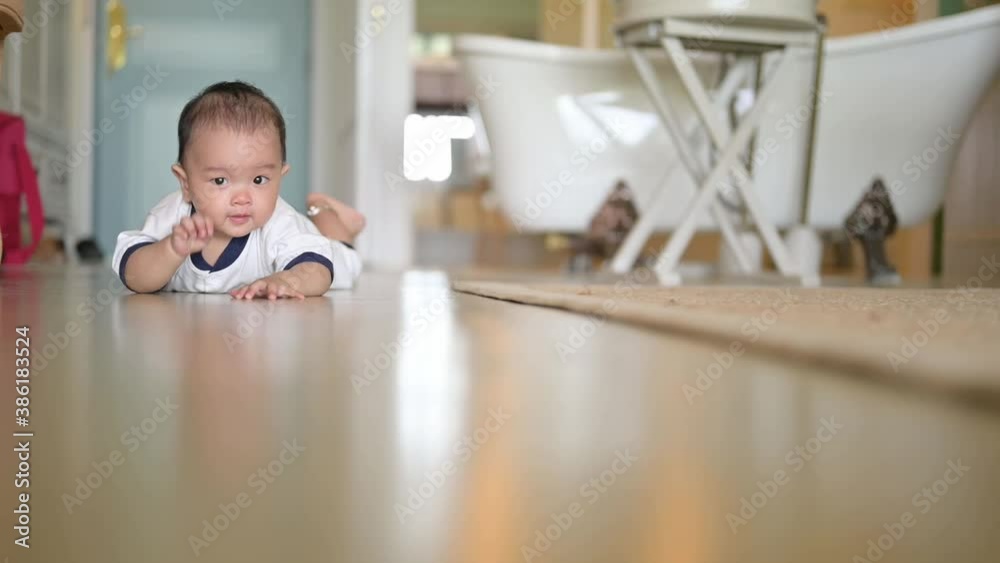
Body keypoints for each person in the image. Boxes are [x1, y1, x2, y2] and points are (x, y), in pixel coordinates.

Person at [112, 81, 364, 299]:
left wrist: (287, 281)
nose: (242, 199)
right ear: (185, 183)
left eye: (259, 180)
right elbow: (134, 276)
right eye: (220, 181)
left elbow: (316, 269)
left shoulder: (280, 222)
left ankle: (338, 228)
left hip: (325, 254)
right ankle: (322, 213)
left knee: (345, 261)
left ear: (280, 176)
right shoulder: (172, 219)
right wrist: (170, 250)